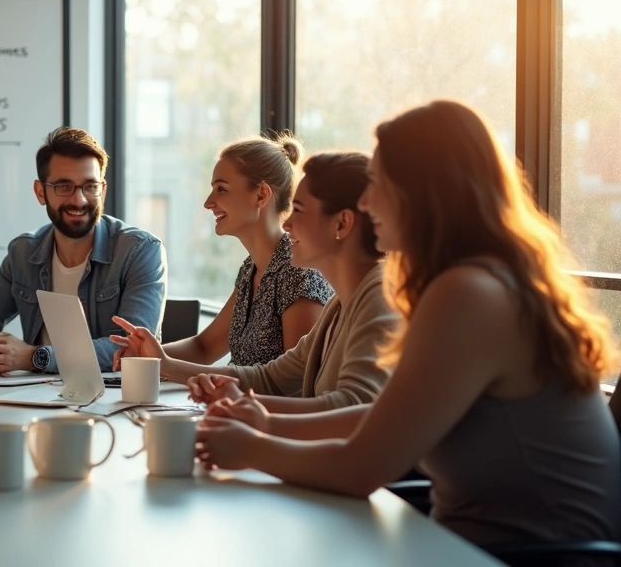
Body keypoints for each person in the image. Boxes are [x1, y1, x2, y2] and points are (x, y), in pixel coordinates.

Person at [195, 101, 621, 547]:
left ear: (423, 192)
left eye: (377, 182)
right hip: (470, 541)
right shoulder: (471, 282)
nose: (364, 201)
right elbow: (381, 418)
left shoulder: (469, 293)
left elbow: (362, 466)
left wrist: (250, 446)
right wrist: (261, 421)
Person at [115, 151, 395, 413]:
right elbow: (270, 377)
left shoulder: (377, 297)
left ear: (341, 224)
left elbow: (352, 408)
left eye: (299, 210)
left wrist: (248, 409)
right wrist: (164, 363)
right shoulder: (338, 306)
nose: (287, 224)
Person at [0, 126, 166, 373]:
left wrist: (34, 357)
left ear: (103, 190)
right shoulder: (23, 252)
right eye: (64, 187)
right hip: (32, 398)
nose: (79, 200)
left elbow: (133, 350)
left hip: (112, 401)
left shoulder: (140, 251)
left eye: (90, 186)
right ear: (40, 192)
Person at [128, 135, 333, 370]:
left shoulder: (299, 271)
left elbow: (296, 380)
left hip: (259, 407)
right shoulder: (251, 269)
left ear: (261, 195)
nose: (208, 202)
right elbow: (204, 348)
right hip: (234, 403)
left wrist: (164, 365)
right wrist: (145, 354)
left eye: (221, 189)